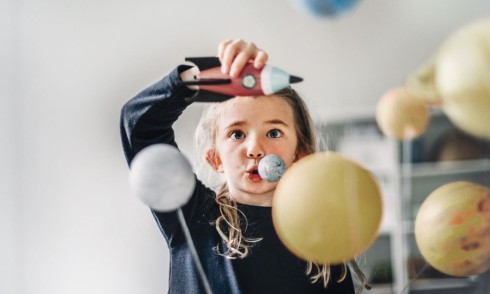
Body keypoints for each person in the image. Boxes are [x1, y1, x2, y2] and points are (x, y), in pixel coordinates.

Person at [120, 39, 369, 293]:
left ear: (299, 154)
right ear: (215, 159)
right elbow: (139, 126)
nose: (255, 149)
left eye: (273, 133)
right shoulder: (195, 216)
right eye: (237, 134)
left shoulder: (323, 243)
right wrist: (201, 77)